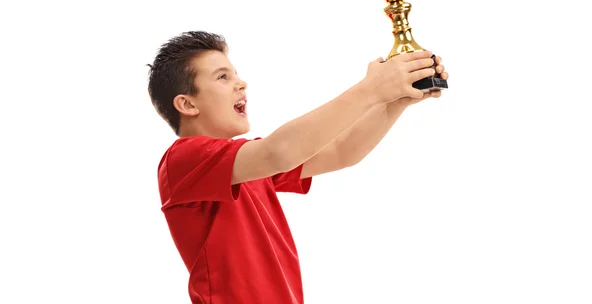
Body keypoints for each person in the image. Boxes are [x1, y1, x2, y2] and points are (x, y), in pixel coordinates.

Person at [147, 30, 449, 304]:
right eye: (223, 77)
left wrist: (395, 100)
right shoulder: (183, 159)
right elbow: (280, 151)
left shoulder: (247, 165)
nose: (241, 83)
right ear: (187, 105)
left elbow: (342, 151)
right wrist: (371, 90)